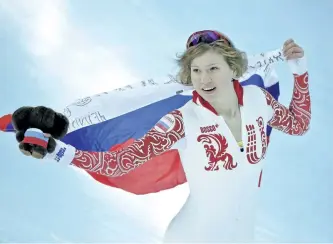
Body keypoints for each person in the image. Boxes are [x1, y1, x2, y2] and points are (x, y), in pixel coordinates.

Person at [17, 30, 311, 242]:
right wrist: (60, 152)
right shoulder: (181, 121)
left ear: (233, 69)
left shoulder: (259, 100)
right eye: (196, 70)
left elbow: (299, 124)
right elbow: (121, 162)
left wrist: (300, 74)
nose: (204, 79)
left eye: (212, 68)